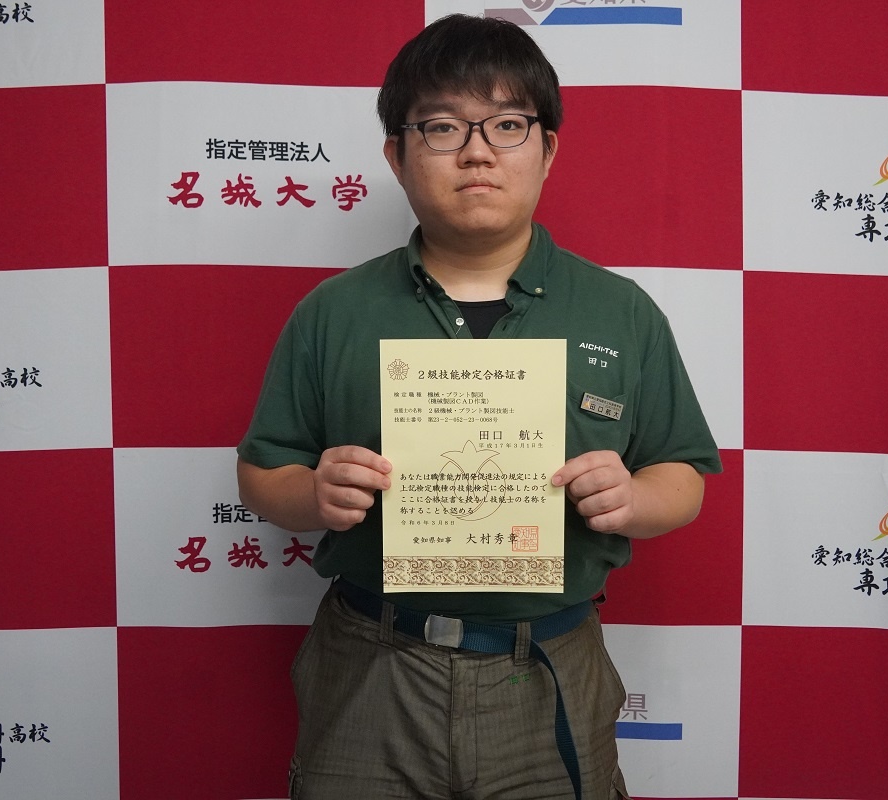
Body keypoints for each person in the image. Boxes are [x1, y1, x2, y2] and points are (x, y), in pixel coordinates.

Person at [237, 13, 721, 800]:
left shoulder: (621, 311)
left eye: (507, 124)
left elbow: (683, 472)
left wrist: (634, 499)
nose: (476, 151)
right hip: (371, 662)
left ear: (547, 148)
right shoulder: (334, 311)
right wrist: (314, 492)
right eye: (441, 127)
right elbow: (264, 472)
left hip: (550, 663)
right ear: (396, 155)